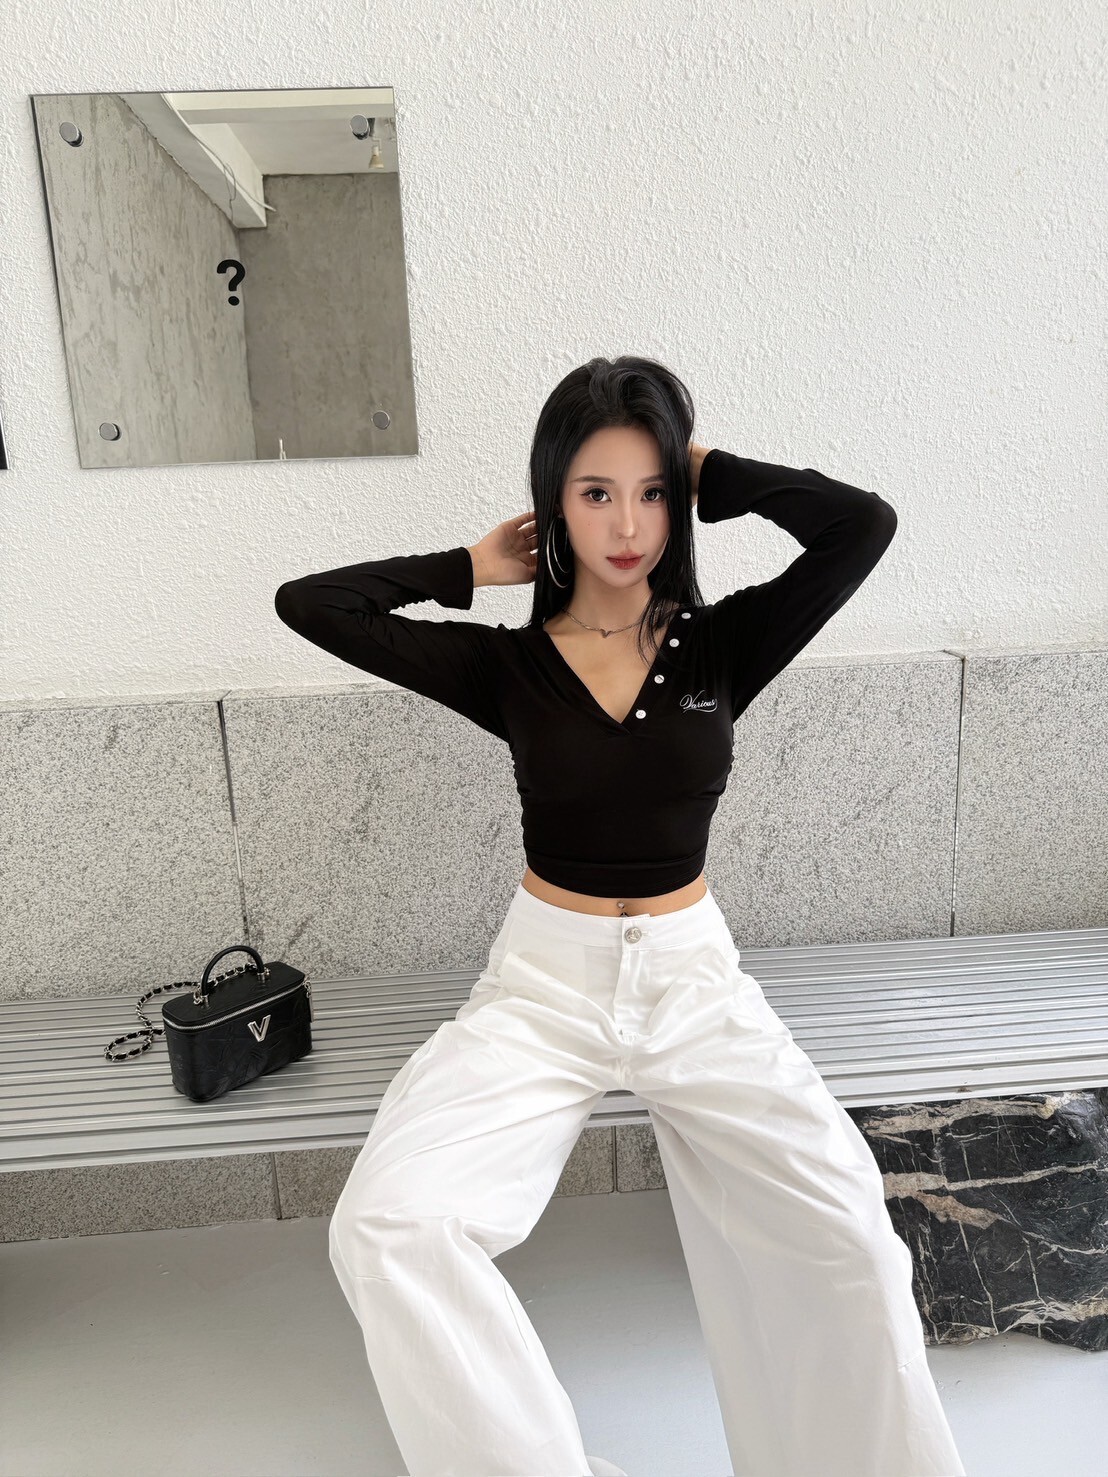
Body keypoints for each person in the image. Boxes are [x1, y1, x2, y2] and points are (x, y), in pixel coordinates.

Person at [274, 355, 966, 1477]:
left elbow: (861, 527)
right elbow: (312, 604)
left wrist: (707, 467)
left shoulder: (725, 642)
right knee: (389, 1224)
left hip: (695, 984)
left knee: (852, 1234)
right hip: (543, 989)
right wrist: (467, 566)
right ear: (554, 502)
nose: (628, 525)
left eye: (650, 493)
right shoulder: (508, 666)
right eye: (595, 492)